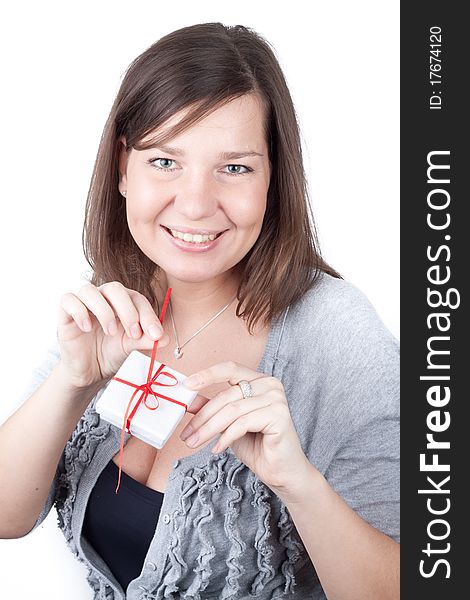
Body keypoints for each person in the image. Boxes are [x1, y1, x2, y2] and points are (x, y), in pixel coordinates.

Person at [0, 22, 399, 600]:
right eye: (165, 161)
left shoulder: (337, 335)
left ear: (273, 181)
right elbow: (7, 516)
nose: (193, 203)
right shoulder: (117, 299)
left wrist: (297, 483)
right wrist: (72, 380)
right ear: (121, 168)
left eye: (234, 167)